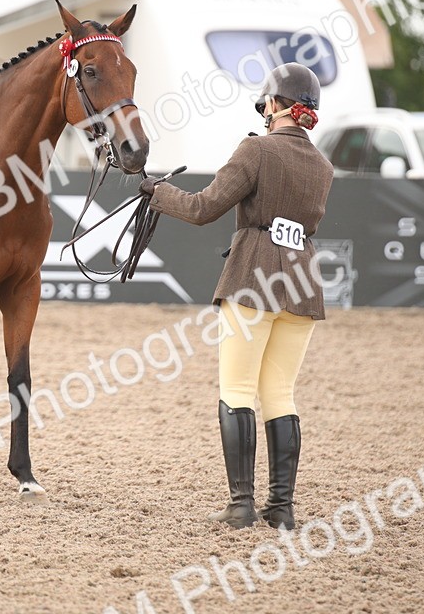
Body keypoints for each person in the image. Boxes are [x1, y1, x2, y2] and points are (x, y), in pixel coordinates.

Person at [139, 62, 334, 530]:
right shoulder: (323, 166)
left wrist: (157, 193)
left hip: (253, 279)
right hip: (303, 286)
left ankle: (242, 504)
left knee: (238, 389)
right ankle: (281, 509)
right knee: (281, 393)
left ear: (274, 105)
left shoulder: (257, 150)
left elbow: (204, 208)